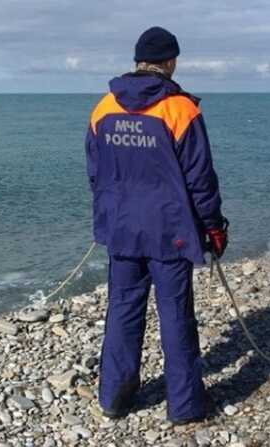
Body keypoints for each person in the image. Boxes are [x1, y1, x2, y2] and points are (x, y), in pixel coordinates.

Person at [86, 26, 228, 424]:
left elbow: (95, 174)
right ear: (170, 62)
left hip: (123, 231)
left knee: (123, 311)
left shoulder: (104, 107)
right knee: (176, 315)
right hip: (171, 232)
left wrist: (111, 217)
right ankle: (183, 406)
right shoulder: (181, 109)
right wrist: (214, 228)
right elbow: (201, 179)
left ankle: (114, 397)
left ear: (137, 61)